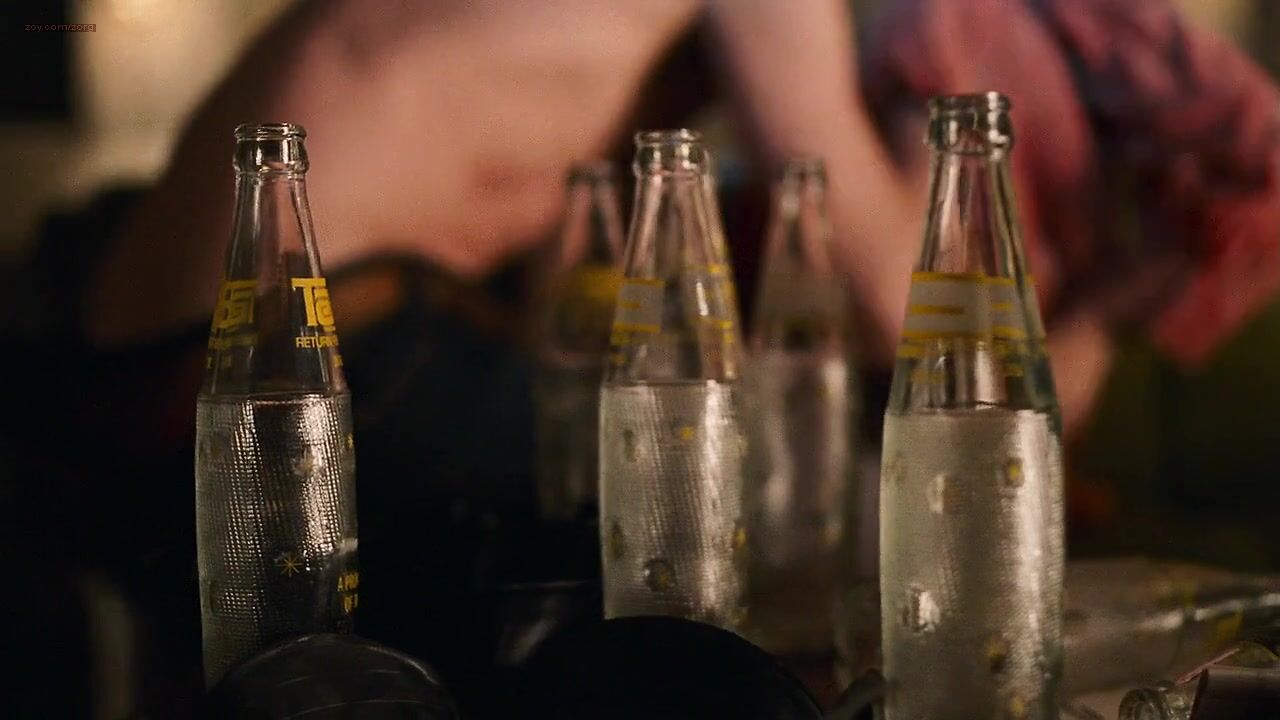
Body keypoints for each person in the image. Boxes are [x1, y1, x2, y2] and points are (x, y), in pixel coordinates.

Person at [10, 0, 1280, 714]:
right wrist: (1124, 290)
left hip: (129, 354)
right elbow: (910, 310)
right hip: (310, 365)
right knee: (706, 550)